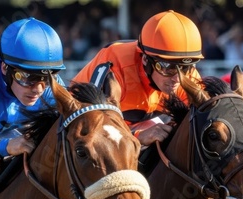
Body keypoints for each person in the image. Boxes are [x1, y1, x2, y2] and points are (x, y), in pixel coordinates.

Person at [72, 10, 203, 147]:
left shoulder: (188, 76)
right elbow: (92, 133)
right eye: (168, 67)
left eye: (185, 67)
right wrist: (137, 137)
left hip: (135, 124)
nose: (177, 78)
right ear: (146, 59)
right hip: (82, 123)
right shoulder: (115, 69)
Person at [0, 17, 66, 164]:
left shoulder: (51, 88)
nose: (38, 89)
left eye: (46, 79)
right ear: (5, 68)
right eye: (29, 77)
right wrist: (6, 146)